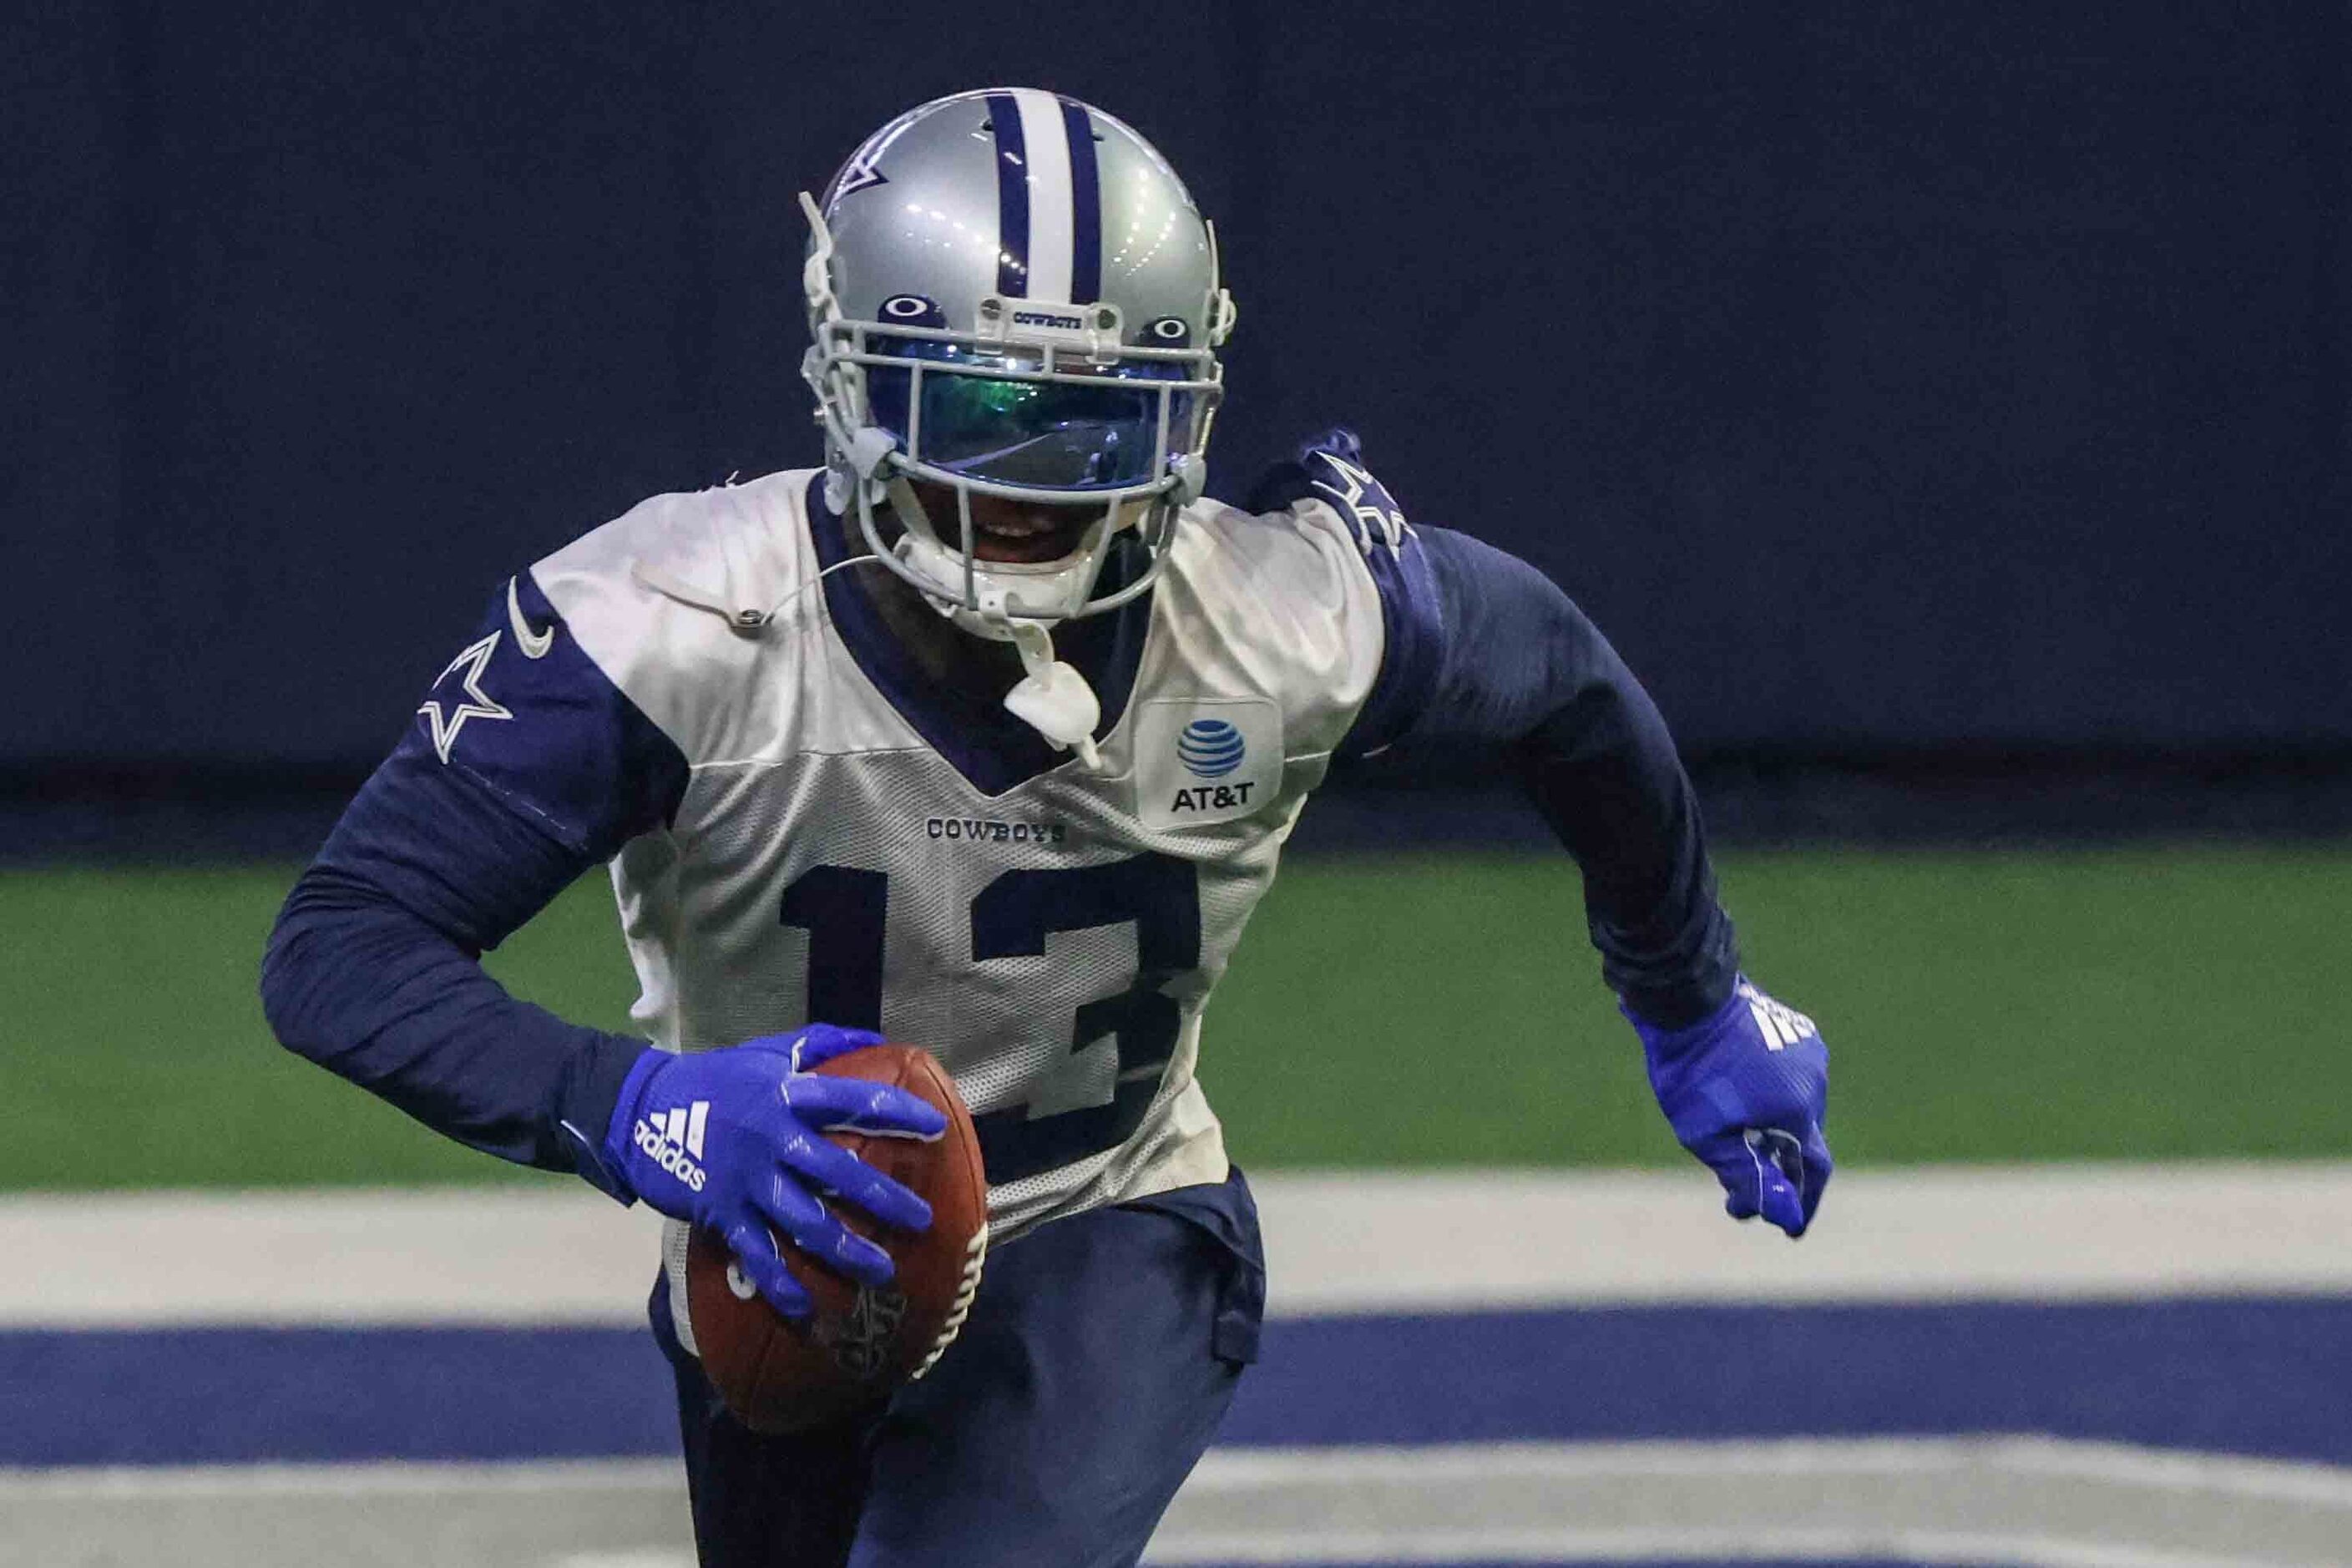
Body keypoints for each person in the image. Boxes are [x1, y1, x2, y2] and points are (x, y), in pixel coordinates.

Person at [260, 87, 1831, 1567]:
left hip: (1110, 1222)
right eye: (980, 406)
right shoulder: (679, 623)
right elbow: (341, 945)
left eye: (1089, 418)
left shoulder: (1272, 618)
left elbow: (1556, 673)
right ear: (850, 380)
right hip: (793, 1246)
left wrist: (1684, 990)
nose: (1023, 483)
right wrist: (638, 1105)